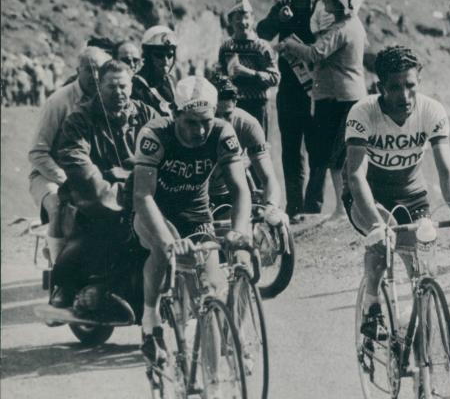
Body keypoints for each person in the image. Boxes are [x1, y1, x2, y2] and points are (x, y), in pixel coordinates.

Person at [343, 44, 450, 343]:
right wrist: (376, 225)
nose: (404, 96)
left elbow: (445, 170)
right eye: (394, 87)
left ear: (420, 82)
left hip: (413, 196)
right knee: (384, 240)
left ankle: (421, 365)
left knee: (423, 275)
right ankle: (372, 302)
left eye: (410, 86)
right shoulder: (363, 113)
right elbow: (355, 175)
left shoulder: (431, 110)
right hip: (369, 196)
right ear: (380, 87)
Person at [132, 76, 252, 366]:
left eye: (205, 122)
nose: (199, 131)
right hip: (155, 210)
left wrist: (238, 231)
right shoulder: (155, 134)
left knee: (211, 288)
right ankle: (150, 323)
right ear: (175, 115)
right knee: (163, 251)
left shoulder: (223, 133)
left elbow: (240, 190)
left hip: (196, 213)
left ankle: (217, 377)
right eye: (190, 122)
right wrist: (169, 241)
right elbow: (143, 196)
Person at [51, 61, 157, 307]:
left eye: (123, 86)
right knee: (102, 230)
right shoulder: (80, 118)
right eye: (112, 86)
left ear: (131, 86)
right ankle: (69, 284)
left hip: (141, 192)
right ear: (99, 86)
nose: (119, 92)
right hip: (97, 198)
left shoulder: (148, 115)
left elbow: (166, 146)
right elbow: (75, 158)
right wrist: (114, 192)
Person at [276, 0, 370, 220]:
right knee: (338, 155)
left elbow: (315, 53)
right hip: (345, 95)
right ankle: (344, 207)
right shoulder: (352, 25)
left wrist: (290, 45)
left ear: (339, 1)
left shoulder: (342, 28)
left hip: (338, 98)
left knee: (334, 156)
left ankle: (343, 208)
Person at [256, 0, 326, 222]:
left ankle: (313, 204)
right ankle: (295, 205)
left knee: (318, 148)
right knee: (291, 150)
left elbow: (321, 42)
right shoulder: (281, 6)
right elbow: (261, 33)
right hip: (290, 89)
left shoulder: (320, 8)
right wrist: (278, 20)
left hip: (317, 88)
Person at [28, 47, 112, 265]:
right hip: (50, 176)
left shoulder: (108, 98)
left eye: (100, 70)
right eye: (88, 70)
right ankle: (59, 269)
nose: (94, 76)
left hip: (89, 173)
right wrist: (67, 179)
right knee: (59, 206)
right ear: (77, 71)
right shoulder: (58, 101)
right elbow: (37, 152)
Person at [209, 77, 289, 234]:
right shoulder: (196, 126)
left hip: (231, 193)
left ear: (236, 105)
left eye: (227, 115)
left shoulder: (248, 124)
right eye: (216, 115)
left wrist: (271, 206)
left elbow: (268, 178)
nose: (223, 123)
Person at [218, 0, 280, 136]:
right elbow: (219, 72)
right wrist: (223, 78)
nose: (242, 22)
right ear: (230, 21)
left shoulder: (262, 47)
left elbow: (275, 78)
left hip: (257, 106)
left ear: (252, 19)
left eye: (246, 17)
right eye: (237, 18)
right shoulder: (226, 47)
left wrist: (249, 72)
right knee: (232, 149)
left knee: (259, 148)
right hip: (233, 107)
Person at [132, 25, 178, 116]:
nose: (166, 61)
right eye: (159, 56)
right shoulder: (136, 85)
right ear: (148, 56)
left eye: (170, 56)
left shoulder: (171, 81)